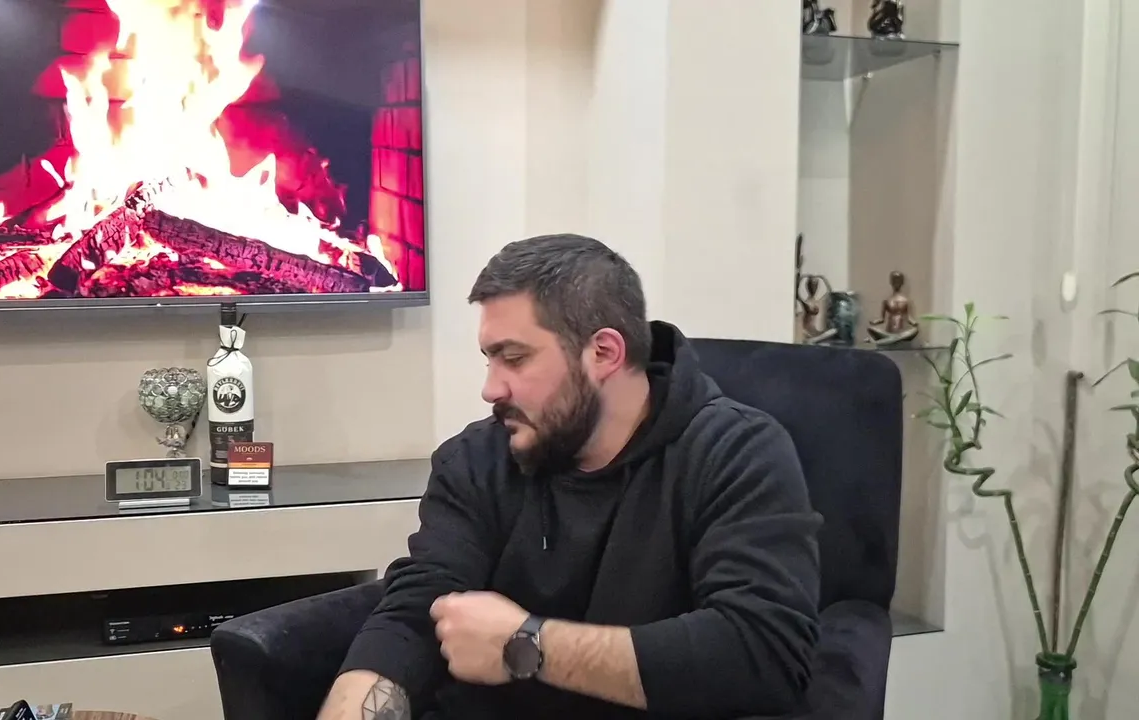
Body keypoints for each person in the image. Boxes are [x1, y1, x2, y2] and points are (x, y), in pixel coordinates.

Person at [317, 234, 821, 719]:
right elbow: (415, 614)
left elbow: (762, 652)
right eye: (489, 359)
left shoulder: (735, 452)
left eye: (514, 358)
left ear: (604, 353)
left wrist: (527, 645)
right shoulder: (475, 459)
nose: (491, 389)